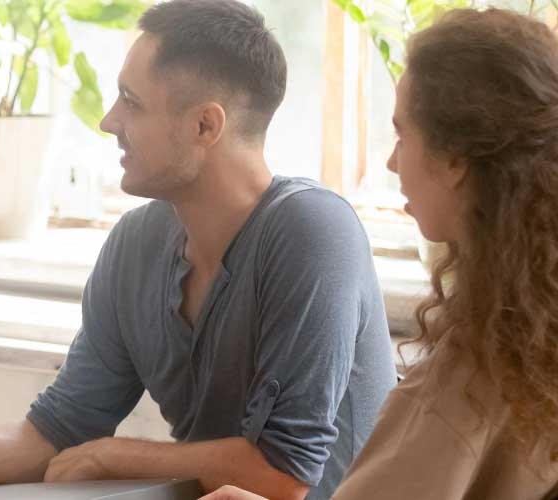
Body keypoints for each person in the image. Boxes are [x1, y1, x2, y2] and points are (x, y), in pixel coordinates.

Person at [0, 1, 397, 499]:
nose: (107, 120)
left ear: (205, 125)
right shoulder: (137, 245)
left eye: (131, 101)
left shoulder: (314, 231)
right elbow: (54, 431)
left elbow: (285, 475)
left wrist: (117, 455)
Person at [202, 8, 558, 500]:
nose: (392, 161)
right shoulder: (536, 341)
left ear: (455, 158)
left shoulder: (473, 377)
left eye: (402, 132)